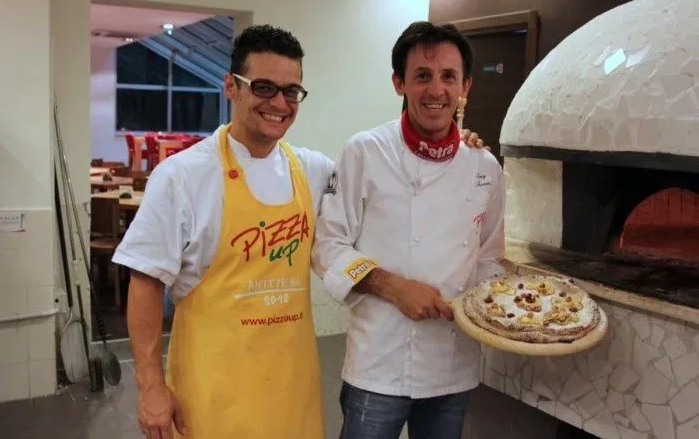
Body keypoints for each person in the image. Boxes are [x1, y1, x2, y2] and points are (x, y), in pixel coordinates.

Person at [113, 24, 487, 439]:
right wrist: (150, 384)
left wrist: (458, 146)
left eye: (291, 91)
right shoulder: (181, 176)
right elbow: (146, 281)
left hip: (291, 389)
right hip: (212, 392)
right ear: (231, 86)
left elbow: (382, 187)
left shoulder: (312, 170)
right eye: (264, 87)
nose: (279, 103)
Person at [311, 21, 506, 439]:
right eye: (422, 76)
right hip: (379, 361)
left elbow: (489, 258)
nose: (436, 90)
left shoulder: (485, 168)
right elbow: (328, 246)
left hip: (452, 361)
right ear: (399, 83)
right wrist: (395, 287)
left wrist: (496, 309)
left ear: (465, 86)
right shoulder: (365, 151)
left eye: (448, 76)